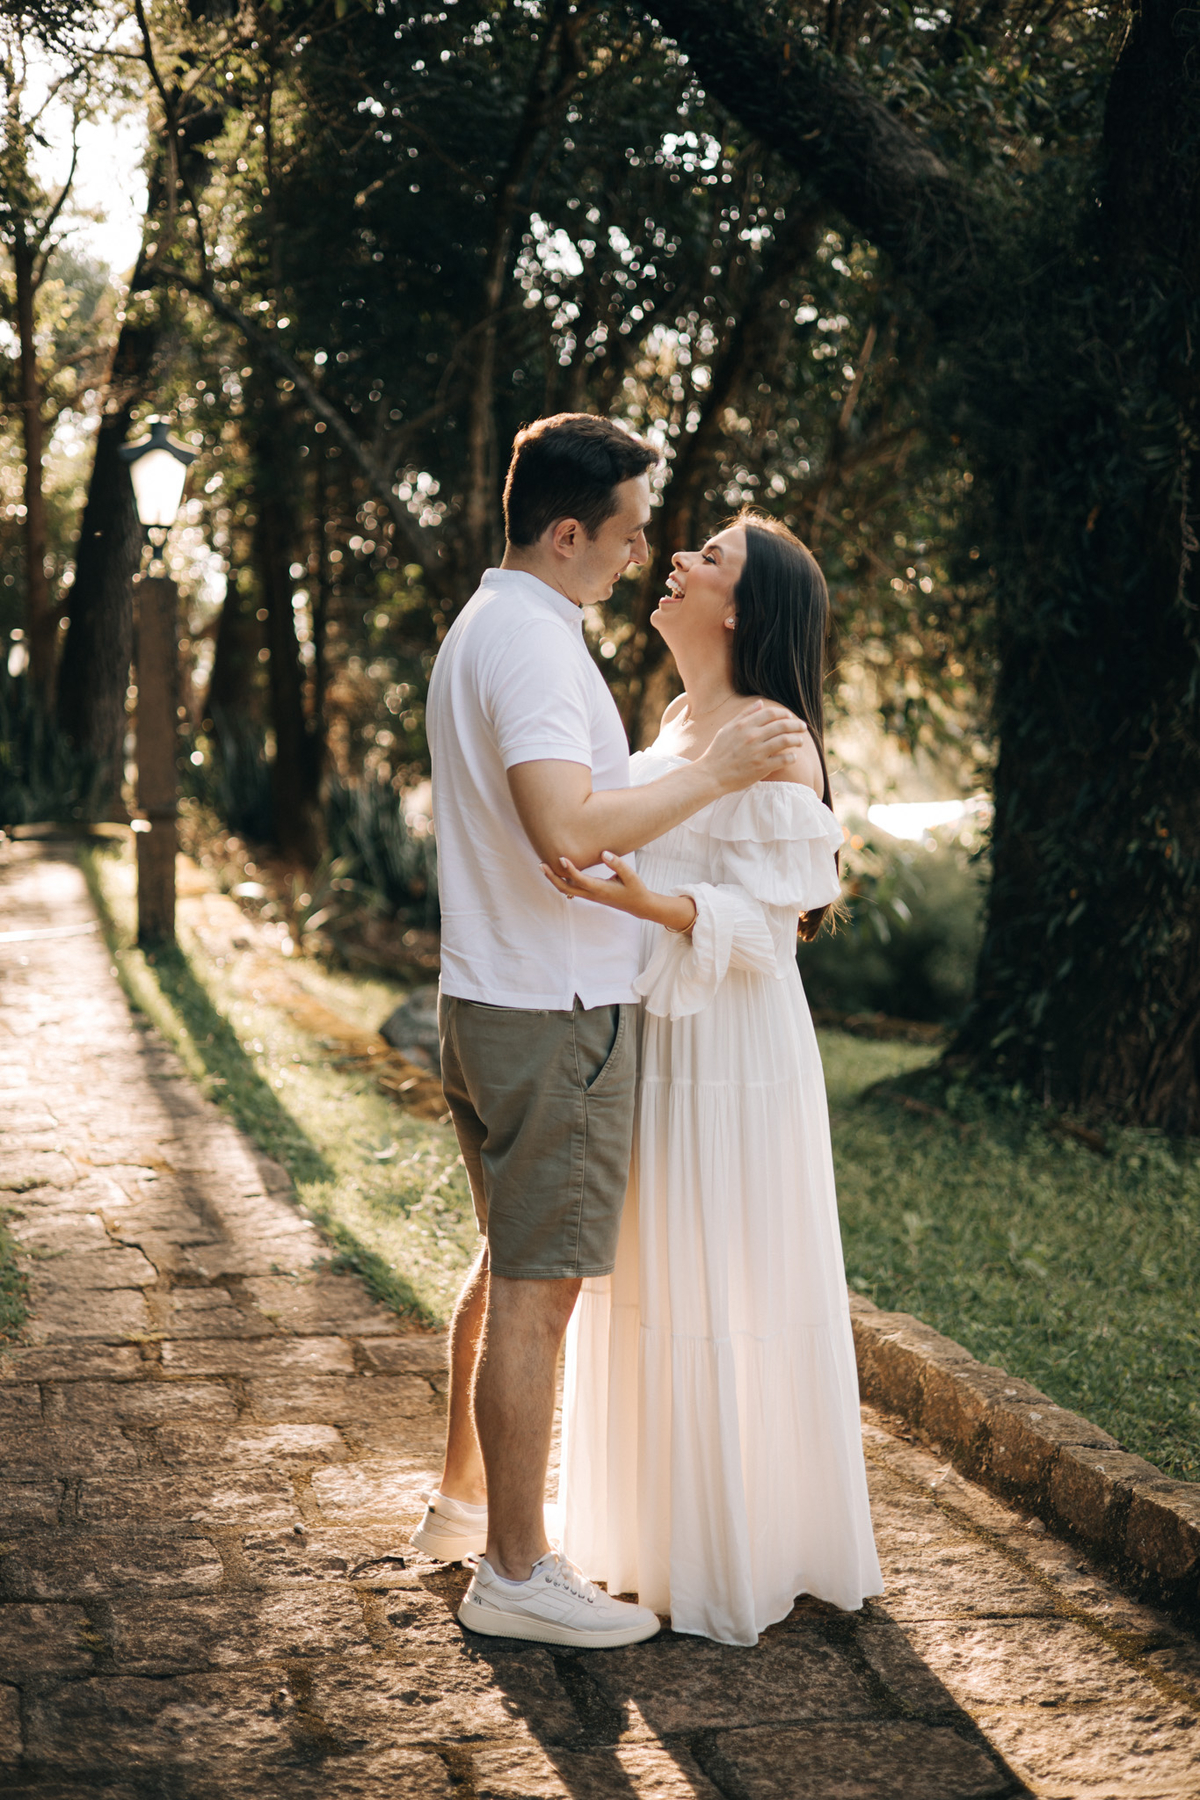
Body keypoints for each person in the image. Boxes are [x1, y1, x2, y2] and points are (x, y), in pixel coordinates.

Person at [415, 417, 810, 1649]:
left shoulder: (501, 629)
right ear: (571, 531)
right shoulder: (532, 647)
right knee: (540, 1293)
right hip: (553, 1013)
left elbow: (767, 901)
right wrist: (712, 774)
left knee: (508, 1267)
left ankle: (463, 1507)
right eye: (637, 531)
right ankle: (517, 1571)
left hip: (500, 1000)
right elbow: (569, 831)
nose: (650, 553)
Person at [549, 510, 884, 1647]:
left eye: (708, 557)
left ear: (740, 607)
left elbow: (778, 928)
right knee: (656, 1275)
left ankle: (749, 1549)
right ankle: (654, 1538)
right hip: (661, 1035)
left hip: (735, 1046)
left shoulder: (776, 735)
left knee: (730, 1283)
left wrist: (634, 902)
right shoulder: (681, 717)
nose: (678, 562)